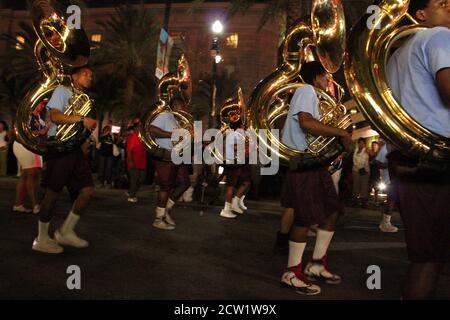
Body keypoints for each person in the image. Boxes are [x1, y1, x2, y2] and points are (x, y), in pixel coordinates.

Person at [385, 0, 450, 299]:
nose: (449, 4)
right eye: (441, 2)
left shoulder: (396, 54)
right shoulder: (438, 36)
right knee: (430, 258)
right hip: (438, 156)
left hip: (410, 155)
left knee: (425, 255)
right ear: (420, 14)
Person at [280, 61, 352, 295]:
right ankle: (292, 272)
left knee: (332, 211)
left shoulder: (310, 94)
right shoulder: (306, 90)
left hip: (314, 163)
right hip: (304, 164)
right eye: (326, 77)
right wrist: (340, 132)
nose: (328, 81)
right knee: (303, 218)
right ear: (317, 77)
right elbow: (306, 122)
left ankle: (317, 264)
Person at [32, 66, 97, 254]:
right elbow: (55, 116)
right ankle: (41, 238)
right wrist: (82, 119)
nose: (90, 77)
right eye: (86, 74)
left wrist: (85, 128)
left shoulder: (85, 99)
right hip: (60, 145)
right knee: (53, 193)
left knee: (87, 190)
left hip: (74, 148)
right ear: (74, 76)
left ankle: (66, 231)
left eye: (91, 75)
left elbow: (81, 124)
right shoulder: (62, 90)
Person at [149, 97, 191, 230]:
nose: (186, 111)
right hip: (165, 156)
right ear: (178, 107)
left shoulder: (177, 121)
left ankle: (165, 209)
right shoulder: (164, 115)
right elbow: (152, 130)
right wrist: (172, 134)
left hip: (176, 156)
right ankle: (158, 219)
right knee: (165, 187)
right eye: (184, 108)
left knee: (185, 183)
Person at [12, 99, 48, 214]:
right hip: (24, 146)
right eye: (40, 103)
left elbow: (44, 131)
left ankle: (18, 204)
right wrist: (40, 132)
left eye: (43, 104)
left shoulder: (39, 118)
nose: (42, 106)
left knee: (26, 175)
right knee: (32, 174)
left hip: (33, 147)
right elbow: (21, 129)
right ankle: (35, 205)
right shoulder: (27, 115)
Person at [219, 107, 251, 219]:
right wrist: (245, 145)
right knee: (230, 186)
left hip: (238, 161)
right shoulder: (231, 133)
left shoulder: (237, 132)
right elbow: (231, 146)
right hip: (232, 162)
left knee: (244, 182)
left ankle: (234, 204)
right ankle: (226, 209)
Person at [374, 141, 398, 233]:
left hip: (396, 177)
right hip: (389, 178)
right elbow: (377, 162)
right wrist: (391, 164)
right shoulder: (386, 146)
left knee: (393, 200)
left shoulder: (397, 146)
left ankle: (386, 222)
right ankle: (385, 223)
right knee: (391, 200)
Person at [126, 120, 147, 203]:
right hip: (134, 162)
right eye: (140, 126)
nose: (141, 128)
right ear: (135, 127)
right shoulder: (133, 136)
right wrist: (131, 161)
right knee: (135, 179)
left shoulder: (142, 137)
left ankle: (131, 191)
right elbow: (129, 150)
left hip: (142, 162)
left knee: (142, 179)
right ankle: (131, 196)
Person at [352, 138, 370, 206]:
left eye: (362, 143)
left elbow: (372, 154)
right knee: (355, 185)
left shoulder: (366, 150)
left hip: (364, 170)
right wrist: (356, 166)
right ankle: (355, 200)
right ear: (358, 143)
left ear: (364, 144)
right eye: (360, 143)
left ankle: (363, 201)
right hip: (355, 170)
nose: (361, 144)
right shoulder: (356, 150)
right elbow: (353, 159)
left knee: (364, 186)